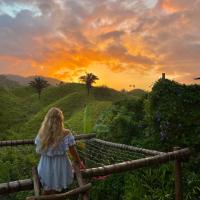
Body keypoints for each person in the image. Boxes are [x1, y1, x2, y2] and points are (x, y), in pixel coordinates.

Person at [34, 107, 85, 195]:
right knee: (56, 192)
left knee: (47, 191)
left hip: (45, 165)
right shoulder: (66, 134)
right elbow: (73, 152)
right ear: (60, 119)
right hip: (61, 166)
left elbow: (41, 151)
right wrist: (79, 162)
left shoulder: (42, 134)